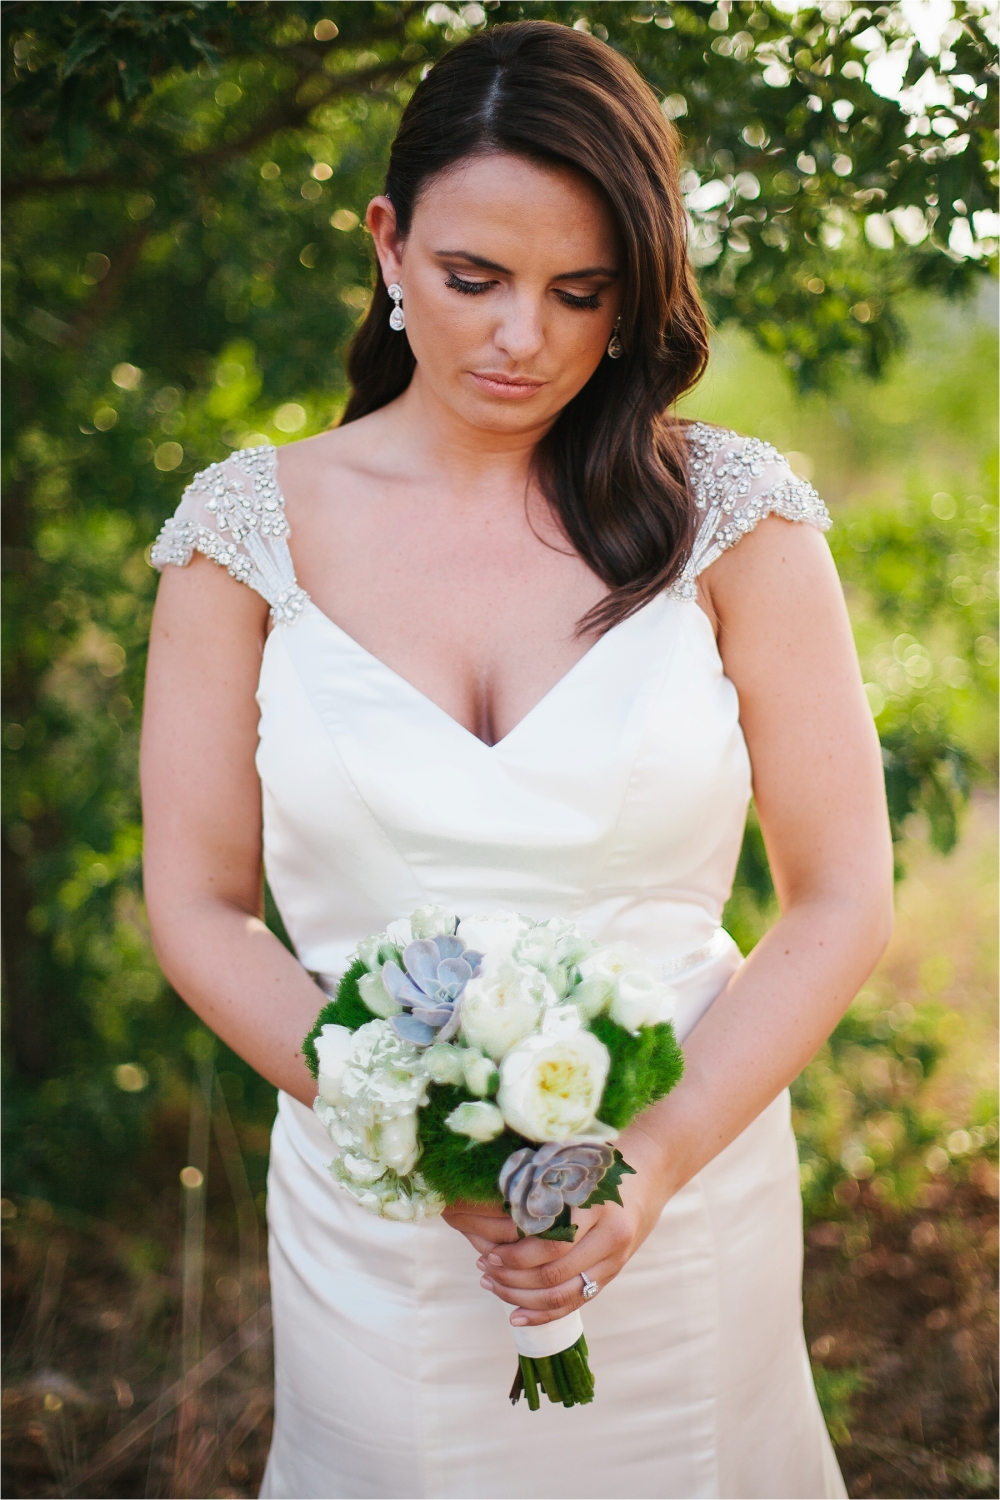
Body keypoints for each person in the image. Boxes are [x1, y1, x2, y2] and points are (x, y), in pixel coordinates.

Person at [141, 20, 892, 1500]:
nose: (522, 338)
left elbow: (841, 895)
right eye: (473, 278)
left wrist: (652, 1164)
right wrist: (406, 1132)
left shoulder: (735, 519)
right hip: (376, 1227)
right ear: (387, 244)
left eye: (580, 293)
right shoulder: (241, 536)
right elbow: (199, 906)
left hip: (683, 1205)